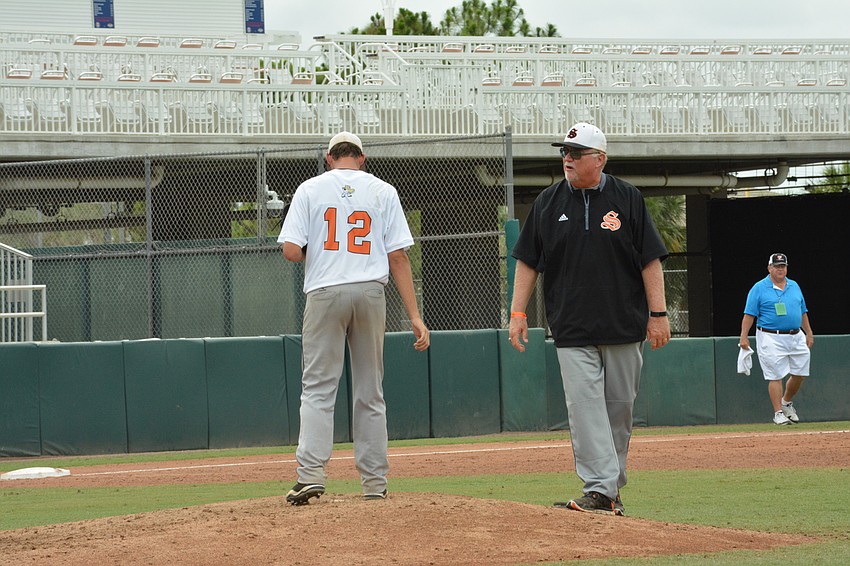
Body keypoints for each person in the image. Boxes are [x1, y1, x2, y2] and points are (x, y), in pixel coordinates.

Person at [509, 122, 670, 516]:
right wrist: (516, 313)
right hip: (572, 326)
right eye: (564, 152)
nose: (567, 158)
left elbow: (650, 260)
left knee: (618, 411)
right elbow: (528, 262)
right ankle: (599, 488)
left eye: (575, 153)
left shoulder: (627, 198)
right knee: (584, 408)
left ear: (599, 159)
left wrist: (659, 314)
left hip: (623, 325)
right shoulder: (547, 203)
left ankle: (609, 491)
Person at [278, 131, 430, 505]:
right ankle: (375, 483)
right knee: (370, 390)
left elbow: (291, 251)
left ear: (329, 158)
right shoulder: (383, 190)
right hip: (370, 291)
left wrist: (319, 250)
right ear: (362, 158)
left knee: (317, 387)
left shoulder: (310, 189)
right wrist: (414, 314)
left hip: (326, 291)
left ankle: (310, 474)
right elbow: (398, 258)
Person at [739, 253, 813, 425]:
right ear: (769, 268)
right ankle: (778, 412)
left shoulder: (794, 285)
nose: (781, 269)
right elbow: (749, 314)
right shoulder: (759, 287)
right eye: (777, 266)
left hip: (796, 335)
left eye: (783, 266)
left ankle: (786, 402)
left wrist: (808, 331)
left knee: (800, 373)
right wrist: (743, 336)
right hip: (770, 336)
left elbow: (803, 311)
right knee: (775, 375)